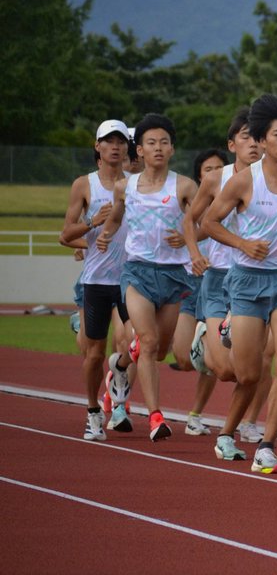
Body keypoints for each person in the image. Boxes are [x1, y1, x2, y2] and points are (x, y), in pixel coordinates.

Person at [200, 94, 277, 473]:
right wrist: (243, 244)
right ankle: (226, 433)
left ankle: (267, 445)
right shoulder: (241, 182)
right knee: (248, 374)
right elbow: (209, 223)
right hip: (246, 282)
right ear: (263, 141)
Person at [96, 113, 202, 442]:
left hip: (173, 275)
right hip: (138, 272)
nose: (158, 148)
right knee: (149, 340)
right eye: (151, 143)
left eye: (164, 142)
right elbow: (115, 218)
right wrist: (105, 235)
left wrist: (189, 238)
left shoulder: (184, 186)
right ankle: (156, 415)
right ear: (138, 150)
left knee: (159, 350)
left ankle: (121, 365)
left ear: (172, 149)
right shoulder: (125, 187)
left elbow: (205, 223)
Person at [183, 108, 264, 444]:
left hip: (255, 280)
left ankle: (240, 427)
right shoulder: (217, 179)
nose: (254, 143)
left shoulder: (275, 178)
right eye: (246, 136)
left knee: (253, 367)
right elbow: (192, 220)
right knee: (224, 370)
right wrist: (195, 254)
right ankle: (205, 336)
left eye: (258, 136)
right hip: (217, 278)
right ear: (232, 144)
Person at [59, 120, 133, 440]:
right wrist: (92, 222)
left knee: (137, 343)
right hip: (98, 280)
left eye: (121, 141)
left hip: (132, 279)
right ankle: (92, 411)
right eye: (109, 141)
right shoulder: (84, 185)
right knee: (94, 353)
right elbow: (66, 234)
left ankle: (118, 375)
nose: (115, 146)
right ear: (98, 146)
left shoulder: (137, 184)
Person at [170, 148, 227, 436]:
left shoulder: (238, 200)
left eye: (219, 167)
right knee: (183, 358)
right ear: (199, 177)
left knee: (211, 363)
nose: (215, 173)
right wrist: (188, 249)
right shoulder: (191, 206)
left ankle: (195, 414)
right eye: (208, 169)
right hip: (189, 284)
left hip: (219, 283)